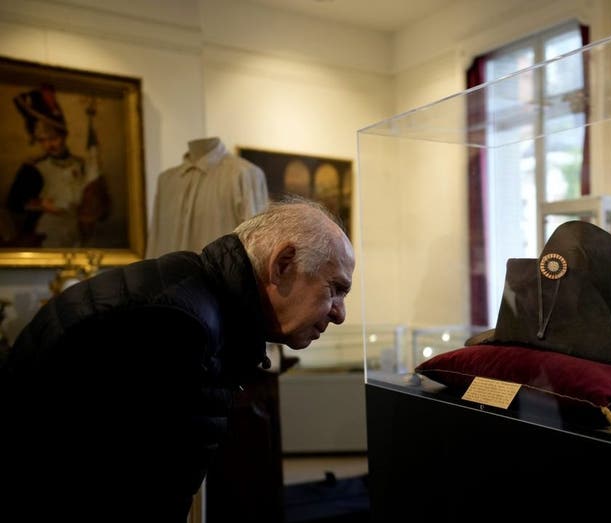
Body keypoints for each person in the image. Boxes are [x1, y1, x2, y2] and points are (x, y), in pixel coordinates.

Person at [0, 196, 354, 521]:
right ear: (283, 264)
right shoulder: (177, 324)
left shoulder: (189, 292)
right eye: (335, 289)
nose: (339, 314)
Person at [6, 84, 110, 247]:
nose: (50, 144)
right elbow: (13, 203)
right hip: (46, 234)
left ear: (63, 136)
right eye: (43, 140)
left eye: (53, 138)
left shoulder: (81, 165)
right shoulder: (32, 169)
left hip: (76, 234)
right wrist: (40, 205)